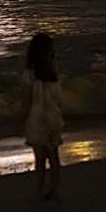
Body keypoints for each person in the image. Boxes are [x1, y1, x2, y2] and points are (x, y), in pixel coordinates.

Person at [20, 32, 63, 200]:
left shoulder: (29, 74)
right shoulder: (53, 74)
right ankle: (54, 189)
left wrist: (20, 119)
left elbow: (26, 100)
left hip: (36, 118)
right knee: (53, 156)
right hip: (53, 117)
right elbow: (59, 99)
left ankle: (39, 188)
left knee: (39, 158)